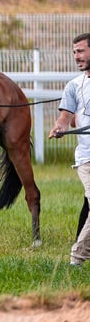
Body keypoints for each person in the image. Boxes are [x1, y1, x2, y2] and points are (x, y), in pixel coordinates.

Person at [50, 32, 90, 267]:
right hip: (87, 158)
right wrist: (59, 128)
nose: (76, 57)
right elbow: (65, 119)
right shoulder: (74, 86)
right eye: (74, 52)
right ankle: (76, 259)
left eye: (81, 51)